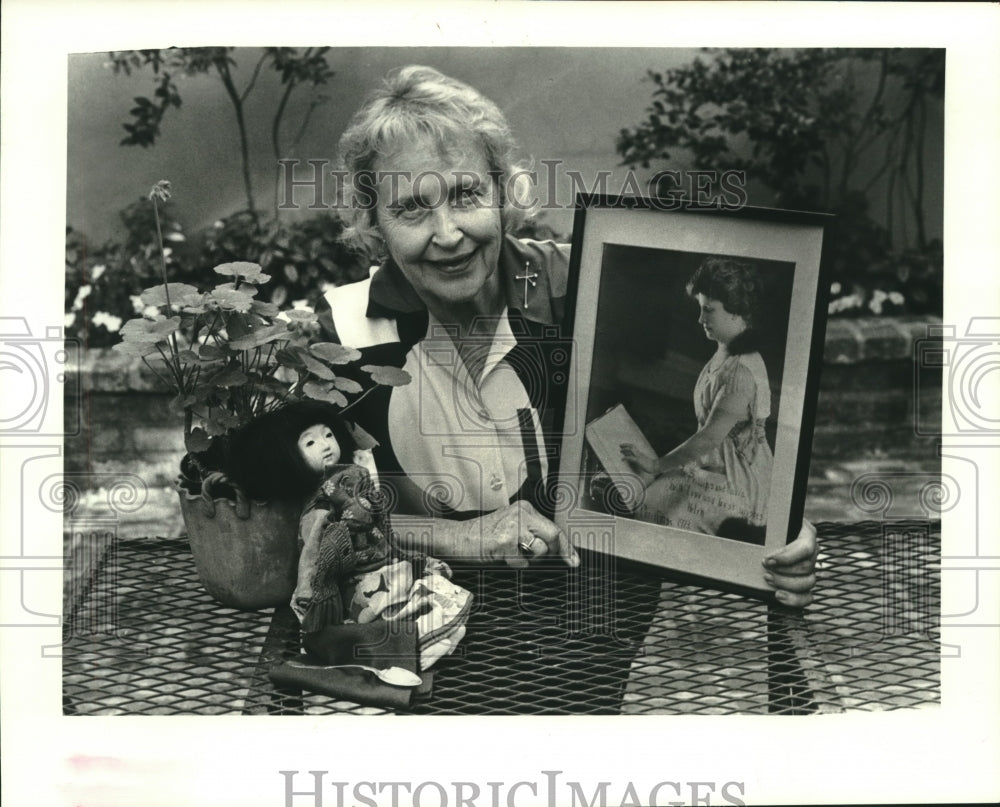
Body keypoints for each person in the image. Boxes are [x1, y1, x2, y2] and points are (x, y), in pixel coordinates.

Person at [316, 65, 817, 608]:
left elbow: (703, 435)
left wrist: (777, 531)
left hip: (594, 616)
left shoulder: (582, 287)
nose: (448, 233)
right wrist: (459, 536)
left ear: (504, 192)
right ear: (374, 224)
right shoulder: (342, 334)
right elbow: (303, 516)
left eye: (466, 194)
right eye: (411, 208)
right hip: (419, 633)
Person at [620, 257, 774, 544]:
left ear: (736, 312)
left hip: (739, 484)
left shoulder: (741, 370)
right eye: (700, 309)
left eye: (708, 311)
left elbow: (709, 438)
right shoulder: (724, 351)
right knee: (645, 500)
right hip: (715, 469)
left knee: (655, 513)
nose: (700, 319)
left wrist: (656, 465)